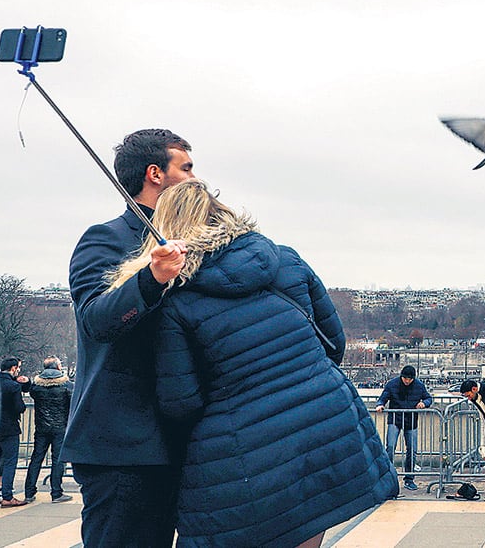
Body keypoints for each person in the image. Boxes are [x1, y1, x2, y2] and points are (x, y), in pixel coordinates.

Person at [109, 179, 395, 547]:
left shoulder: (177, 299)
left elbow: (181, 401)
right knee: (310, 526)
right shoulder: (285, 259)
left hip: (244, 449)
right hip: (322, 425)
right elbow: (333, 342)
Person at [65, 128, 194, 545]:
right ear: (155, 174)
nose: (195, 179)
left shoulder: (197, 243)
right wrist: (151, 278)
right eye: (187, 167)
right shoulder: (104, 239)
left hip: (185, 445)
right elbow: (95, 322)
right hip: (124, 449)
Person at [375, 364, 433, 492]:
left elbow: (429, 398)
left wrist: (424, 403)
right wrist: (380, 405)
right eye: (405, 378)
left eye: (410, 379)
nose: (407, 381)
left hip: (411, 421)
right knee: (390, 447)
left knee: (412, 450)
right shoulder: (392, 384)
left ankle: (409, 478)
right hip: (395, 420)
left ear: (413, 378)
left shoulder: (419, 385)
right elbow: (383, 397)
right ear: (401, 377)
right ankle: (388, 477)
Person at [25, 356, 74, 503]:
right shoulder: (66, 385)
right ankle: (56, 493)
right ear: (58, 367)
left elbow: (32, 393)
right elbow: (72, 404)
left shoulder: (37, 386)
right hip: (60, 427)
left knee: (36, 459)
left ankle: (29, 492)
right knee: (58, 460)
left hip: (41, 428)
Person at [0, 357, 29, 508]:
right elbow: (19, 408)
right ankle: (7, 497)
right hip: (9, 428)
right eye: (18, 367)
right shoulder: (13, 386)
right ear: (14, 368)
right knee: (10, 461)